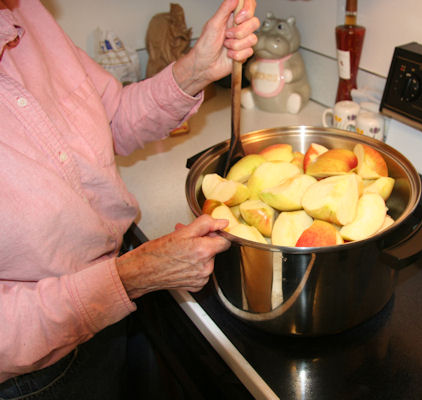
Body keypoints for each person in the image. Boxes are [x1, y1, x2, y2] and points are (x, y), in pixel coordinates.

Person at [0, 0, 259, 398]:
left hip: (108, 309)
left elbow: (113, 116)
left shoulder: (26, 14)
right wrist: (131, 277)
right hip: (32, 378)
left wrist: (198, 69)